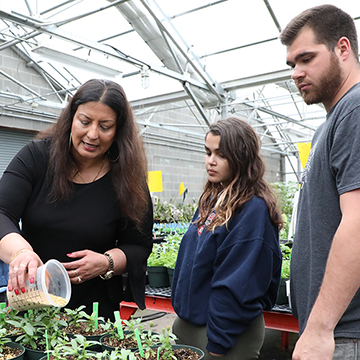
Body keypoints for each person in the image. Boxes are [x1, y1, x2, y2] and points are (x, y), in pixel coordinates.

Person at [0, 78, 153, 320]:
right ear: (71, 118)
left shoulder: (128, 179)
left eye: (105, 126)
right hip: (31, 303)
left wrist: (107, 262)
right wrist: (21, 254)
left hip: (93, 313)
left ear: (118, 131)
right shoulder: (37, 157)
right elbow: (2, 212)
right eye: (85, 121)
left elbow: (139, 245)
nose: (92, 134)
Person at [279, 5, 360, 360]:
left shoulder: (355, 109)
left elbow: (358, 223)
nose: (296, 73)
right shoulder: (329, 124)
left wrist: (321, 327)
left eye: (306, 59)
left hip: (344, 334)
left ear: (343, 49)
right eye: (291, 65)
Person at [171, 117, 283, 360]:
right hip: (192, 323)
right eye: (208, 152)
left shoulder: (253, 209)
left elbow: (238, 283)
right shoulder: (213, 199)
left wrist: (219, 342)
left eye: (220, 155)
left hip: (225, 336)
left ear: (241, 157)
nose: (210, 161)